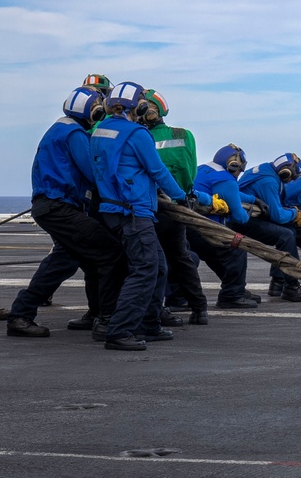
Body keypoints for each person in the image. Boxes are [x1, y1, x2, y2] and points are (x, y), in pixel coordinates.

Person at [90, 81, 212, 350]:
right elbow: (158, 172)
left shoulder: (101, 131)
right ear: (141, 106)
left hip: (111, 209)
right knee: (145, 269)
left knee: (158, 266)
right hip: (133, 212)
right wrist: (181, 197)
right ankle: (120, 331)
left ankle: (149, 322)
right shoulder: (137, 134)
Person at [6, 87, 124, 339]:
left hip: (50, 206)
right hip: (60, 207)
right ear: (92, 109)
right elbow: (93, 174)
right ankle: (106, 318)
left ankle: (25, 314)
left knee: (72, 260)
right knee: (109, 251)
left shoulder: (58, 129)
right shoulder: (74, 133)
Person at [140, 89, 210, 325]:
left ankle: (155, 310)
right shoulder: (184, 135)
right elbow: (191, 172)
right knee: (180, 258)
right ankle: (199, 308)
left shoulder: (139, 137)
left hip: (151, 207)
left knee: (151, 260)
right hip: (179, 206)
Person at [237, 153, 301, 301]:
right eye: (292, 177)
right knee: (286, 235)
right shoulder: (269, 181)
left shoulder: (266, 169)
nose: (290, 181)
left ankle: (278, 283)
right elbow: (277, 216)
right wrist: (295, 213)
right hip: (243, 220)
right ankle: (291, 287)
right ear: (287, 171)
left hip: (246, 215)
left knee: (289, 232)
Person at [189, 144, 259, 309]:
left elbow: (229, 192)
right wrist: (248, 210)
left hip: (188, 228)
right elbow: (240, 218)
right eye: (239, 169)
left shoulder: (203, 169)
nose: (239, 173)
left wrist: (253, 199)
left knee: (215, 256)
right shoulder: (225, 179)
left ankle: (236, 287)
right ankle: (232, 295)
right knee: (236, 249)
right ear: (233, 165)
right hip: (205, 229)